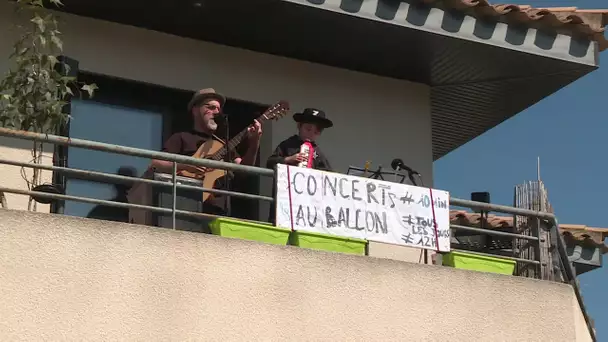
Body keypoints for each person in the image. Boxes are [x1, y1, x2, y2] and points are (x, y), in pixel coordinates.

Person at [128, 88, 262, 224]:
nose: (216, 112)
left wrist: (254, 143)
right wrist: (187, 165)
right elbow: (156, 163)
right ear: (195, 110)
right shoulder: (181, 138)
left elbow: (245, 169)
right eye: (210, 107)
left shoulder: (223, 145)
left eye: (218, 109)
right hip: (185, 207)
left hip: (217, 213)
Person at [266, 107, 333, 223]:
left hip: (308, 205)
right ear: (299, 126)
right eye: (308, 129)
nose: (311, 134)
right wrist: (288, 159)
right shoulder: (287, 145)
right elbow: (270, 162)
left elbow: (328, 173)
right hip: (285, 200)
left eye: (316, 132)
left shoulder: (318, 152)